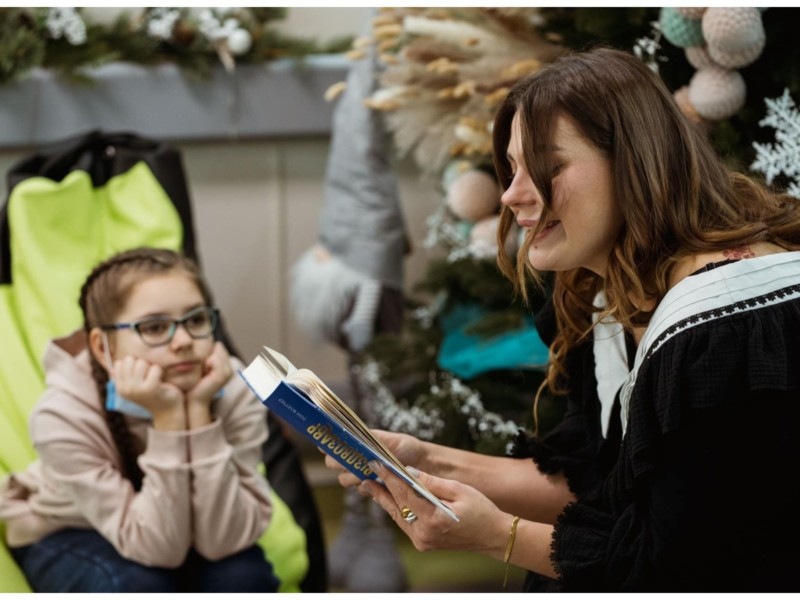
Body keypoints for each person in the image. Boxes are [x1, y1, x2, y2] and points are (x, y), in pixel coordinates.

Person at [325, 46, 800, 592]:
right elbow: (597, 481)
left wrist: (495, 535)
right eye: (511, 169)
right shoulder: (613, 293)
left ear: (635, 161)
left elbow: (674, 566)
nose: (510, 195)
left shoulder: (723, 330)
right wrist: (425, 462)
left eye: (546, 168)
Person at [0, 247, 280, 592]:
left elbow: (222, 542)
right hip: (72, 528)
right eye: (154, 326)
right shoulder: (60, 415)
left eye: (195, 320)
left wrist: (198, 415)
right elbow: (159, 549)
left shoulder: (234, 387)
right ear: (103, 347)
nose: (183, 342)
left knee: (245, 578)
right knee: (138, 585)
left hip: (192, 529)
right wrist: (167, 418)